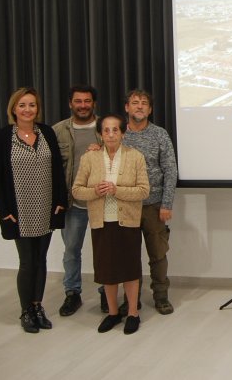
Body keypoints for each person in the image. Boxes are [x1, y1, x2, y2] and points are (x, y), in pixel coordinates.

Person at [0, 87, 67, 333]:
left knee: (41, 260)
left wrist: (60, 201)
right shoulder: (3, 137)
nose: (27, 109)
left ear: (37, 108)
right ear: (14, 108)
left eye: (32, 105)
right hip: (18, 211)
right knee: (27, 262)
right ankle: (26, 311)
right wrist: (3, 211)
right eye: (22, 105)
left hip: (46, 207)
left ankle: (37, 306)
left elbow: (57, 170)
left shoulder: (46, 133)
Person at [72, 114, 150, 334]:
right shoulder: (90, 158)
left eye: (115, 130)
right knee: (107, 269)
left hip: (128, 222)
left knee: (130, 269)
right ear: (100, 133)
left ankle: (133, 312)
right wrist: (94, 191)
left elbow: (144, 191)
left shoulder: (135, 157)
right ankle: (113, 313)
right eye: (106, 130)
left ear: (123, 133)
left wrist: (117, 190)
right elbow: (77, 190)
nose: (111, 134)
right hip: (102, 222)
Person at [122, 89, 178, 315]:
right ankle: (131, 298)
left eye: (144, 103)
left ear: (150, 109)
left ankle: (161, 296)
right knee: (128, 255)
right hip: (125, 206)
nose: (139, 107)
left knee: (158, 254)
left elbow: (170, 170)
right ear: (127, 107)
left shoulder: (159, 134)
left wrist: (166, 204)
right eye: (134, 103)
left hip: (154, 206)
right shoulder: (117, 134)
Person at [53, 85, 101, 316]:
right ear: (70, 103)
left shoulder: (107, 128)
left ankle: (106, 292)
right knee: (71, 250)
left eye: (87, 101)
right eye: (78, 101)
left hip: (103, 202)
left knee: (104, 249)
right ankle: (72, 293)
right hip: (73, 204)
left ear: (94, 103)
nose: (83, 105)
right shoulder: (58, 131)